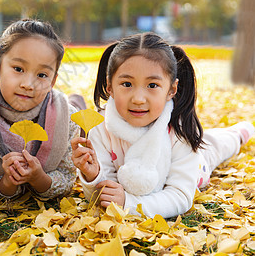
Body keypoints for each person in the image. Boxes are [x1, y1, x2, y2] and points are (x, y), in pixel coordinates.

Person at [71, 32, 254, 218]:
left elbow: (180, 196)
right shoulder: (102, 128)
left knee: (215, 146)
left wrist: (130, 203)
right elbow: (107, 194)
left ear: (171, 90)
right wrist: (93, 175)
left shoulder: (180, 132)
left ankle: (239, 133)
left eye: (152, 86)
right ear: (110, 86)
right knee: (210, 141)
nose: (138, 99)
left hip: (197, 166)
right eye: (127, 84)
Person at [0, 19, 79, 199]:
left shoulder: (67, 120)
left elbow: (67, 177)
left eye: (42, 75)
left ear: (52, 81)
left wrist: (39, 178)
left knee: (75, 106)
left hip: (61, 109)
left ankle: (77, 99)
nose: (28, 85)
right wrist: (8, 181)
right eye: (18, 69)